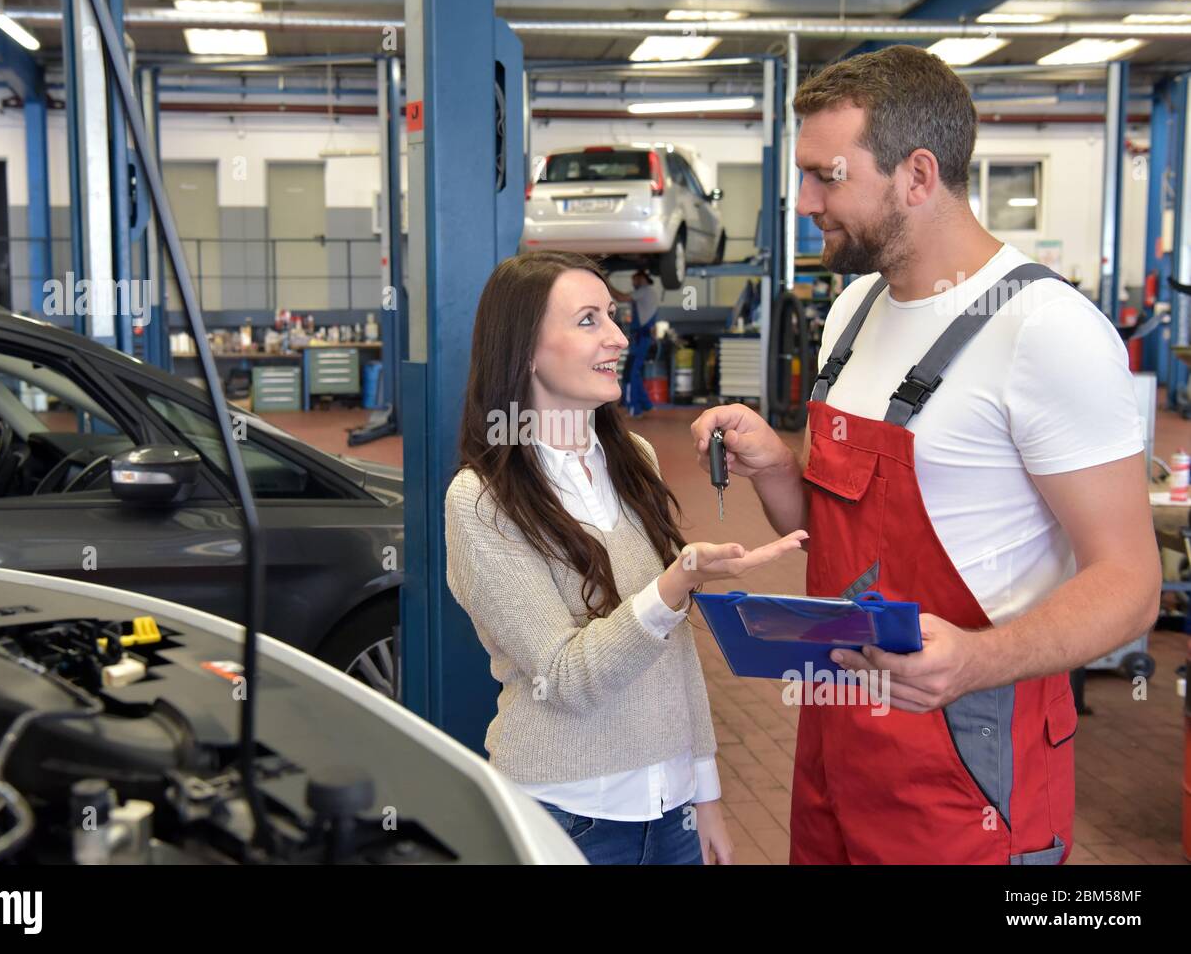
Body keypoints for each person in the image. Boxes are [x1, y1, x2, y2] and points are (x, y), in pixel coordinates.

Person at [691, 45, 1160, 865]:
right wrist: (774, 468)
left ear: (917, 174)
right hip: (837, 737)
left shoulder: (1045, 331)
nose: (805, 201)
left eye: (826, 176)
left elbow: (1130, 584)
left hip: (967, 766)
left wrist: (980, 658)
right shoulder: (851, 312)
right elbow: (835, 532)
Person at [446, 250, 807, 864]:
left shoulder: (634, 456)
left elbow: (675, 654)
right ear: (525, 349)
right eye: (588, 320)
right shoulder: (480, 500)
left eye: (612, 316)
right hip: (565, 816)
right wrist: (675, 583)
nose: (618, 336)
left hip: (672, 815)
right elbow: (564, 677)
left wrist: (706, 790)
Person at [610, 270, 659, 416]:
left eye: (634, 280)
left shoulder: (645, 291)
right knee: (635, 373)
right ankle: (646, 404)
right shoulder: (648, 292)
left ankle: (634, 409)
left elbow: (621, 297)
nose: (632, 283)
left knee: (630, 373)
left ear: (642, 278)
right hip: (640, 338)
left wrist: (606, 281)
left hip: (640, 339)